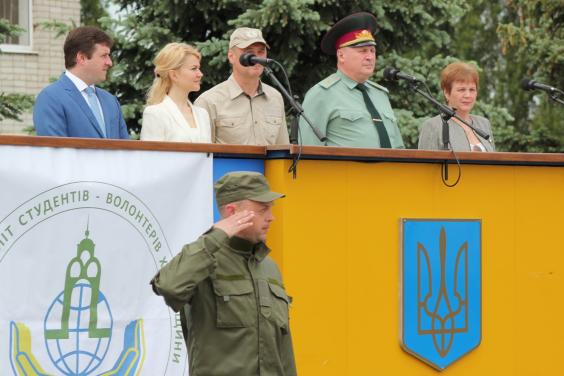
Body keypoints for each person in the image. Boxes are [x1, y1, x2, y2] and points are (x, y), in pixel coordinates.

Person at [151, 171, 296, 376]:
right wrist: (215, 236)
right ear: (232, 212)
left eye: (271, 209)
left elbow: (284, 349)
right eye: (263, 209)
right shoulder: (204, 261)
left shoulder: (268, 266)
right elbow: (168, 286)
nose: (271, 217)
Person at [299, 12, 404, 148]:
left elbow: (399, 148)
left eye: (372, 51)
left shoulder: (380, 94)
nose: (370, 57)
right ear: (341, 55)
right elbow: (308, 151)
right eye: (363, 51)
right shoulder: (321, 94)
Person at [194, 27, 289, 145]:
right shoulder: (209, 101)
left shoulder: (275, 98)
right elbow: (203, 157)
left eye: (261, 51)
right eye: (249, 52)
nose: (256, 58)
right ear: (231, 56)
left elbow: (283, 153)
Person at [33, 26, 129, 139]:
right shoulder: (51, 98)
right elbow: (55, 152)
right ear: (81, 58)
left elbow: (125, 150)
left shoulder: (111, 101)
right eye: (104, 56)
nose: (109, 62)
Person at [141, 43, 211, 142]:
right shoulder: (155, 113)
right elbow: (150, 156)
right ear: (174, 75)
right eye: (193, 68)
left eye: (198, 68)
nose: (200, 74)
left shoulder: (202, 114)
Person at [418, 61, 495, 151]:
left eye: (472, 90)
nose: (468, 95)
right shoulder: (433, 126)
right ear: (447, 93)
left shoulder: (484, 124)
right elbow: (426, 164)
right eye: (461, 90)